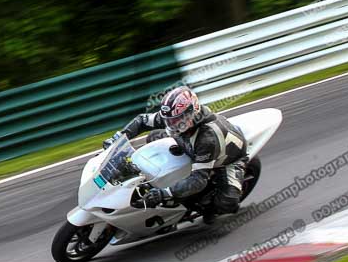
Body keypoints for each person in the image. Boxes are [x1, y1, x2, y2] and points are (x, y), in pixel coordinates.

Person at [104, 86, 247, 223]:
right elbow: (142, 121)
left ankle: (210, 209)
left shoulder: (207, 138)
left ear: (192, 112)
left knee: (228, 202)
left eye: (177, 120)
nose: (171, 124)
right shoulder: (173, 117)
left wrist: (163, 193)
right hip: (188, 143)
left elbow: (198, 181)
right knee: (153, 137)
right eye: (169, 120)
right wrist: (117, 139)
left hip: (228, 160)